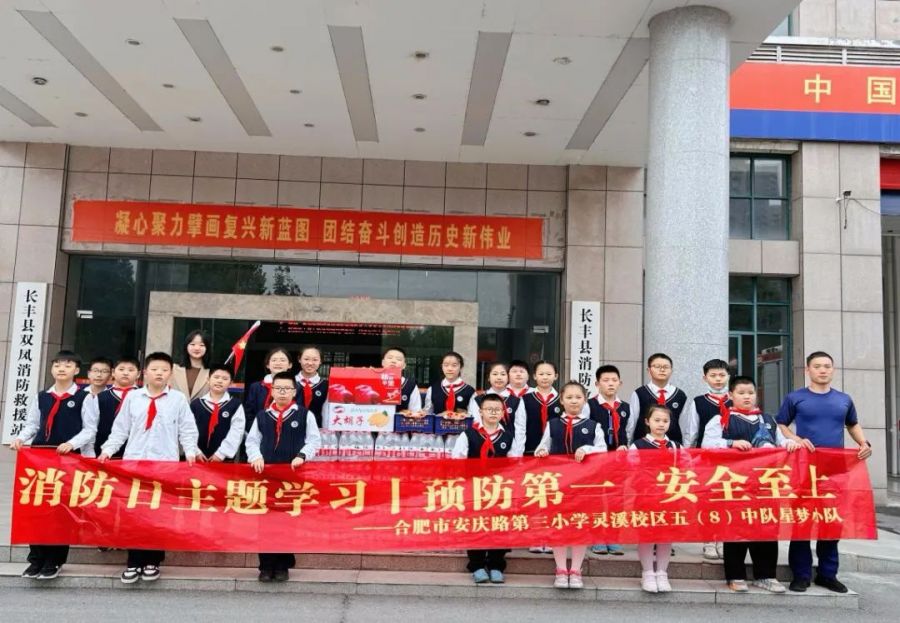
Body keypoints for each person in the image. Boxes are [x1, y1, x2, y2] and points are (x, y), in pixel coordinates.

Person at [98, 352, 201, 584]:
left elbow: (187, 429)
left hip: (164, 465)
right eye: (155, 369)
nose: (159, 374)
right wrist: (108, 450)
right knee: (134, 514)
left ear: (170, 374)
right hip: (135, 463)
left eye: (164, 370)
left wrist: (190, 451)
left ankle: (153, 561)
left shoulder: (177, 399)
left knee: (158, 514)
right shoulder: (133, 398)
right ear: (145, 373)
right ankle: (134, 562)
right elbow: (120, 429)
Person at [776, 351, 872, 594]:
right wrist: (796, 439)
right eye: (817, 366)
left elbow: (852, 424)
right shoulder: (795, 397)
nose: (822, 370)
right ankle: (801, 575)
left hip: (835, 470)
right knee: (802, 522)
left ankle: (828, 574)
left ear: (833, 369)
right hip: (803, 468)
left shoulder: (843, 399)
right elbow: (781, 424)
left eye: (827, 366)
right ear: (808, 370)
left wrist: (863, 443)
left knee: (831, 521)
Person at [702, 375, 797, 593]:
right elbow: (707, 445)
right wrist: (731, 443)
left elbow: (781, 442)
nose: (747, 397)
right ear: (730, 395)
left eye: (751, 393)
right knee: (736, 528)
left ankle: (766, 575)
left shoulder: (768, 420)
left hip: (765, 484)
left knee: (766, 528)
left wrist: (790, 444)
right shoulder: (721, 419)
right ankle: (735, 575)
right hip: (735, 484)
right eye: (741, 393)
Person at [11, 350, 98, 580]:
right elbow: (33, 424)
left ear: (76, 370)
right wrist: (20, 438)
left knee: (61, 511)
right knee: (37, 508)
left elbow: (90, 429)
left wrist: (71, 444)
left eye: (68, 365)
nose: (62, 369)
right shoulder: (42, 396)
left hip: (68, 460)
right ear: (51, 368)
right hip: (40, 460)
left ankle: (55, 560)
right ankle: (36, 559)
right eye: (58, 365)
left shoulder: (85, 396)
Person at [246, 371, 321, 582]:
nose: (282, 392)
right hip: (266, 476)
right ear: (272, 391)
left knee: (288, 520)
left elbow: (314, 440)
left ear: (294, 392)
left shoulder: (305, 415)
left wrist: (302, 455)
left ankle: (282, 565)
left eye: (287, 389)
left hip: (293, 477)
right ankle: (265, 566)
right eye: (278, 388)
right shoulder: (262, 416)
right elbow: (252, 441)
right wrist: (256, 456)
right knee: (265, 520)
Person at [535, 381, 606, 589]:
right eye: (569, 397)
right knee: (559, 525)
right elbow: (542, 447)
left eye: (578, 397)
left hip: (583, 484)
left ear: (585, 400)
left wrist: (587, 449)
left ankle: (575, 569)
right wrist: (542, 452)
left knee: (579, 525)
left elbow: (602, 449)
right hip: (558, 483)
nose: (574, 401)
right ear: (561, 400)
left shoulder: (593, 426)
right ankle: (560, 569)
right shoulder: (553, 424)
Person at [452, 393, 521, 584]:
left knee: (499, 525)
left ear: (503, 413)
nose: (493, 413)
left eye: (497, 410)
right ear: (480, 412)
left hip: (500, 489)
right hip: (474, 489)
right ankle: (477, 565)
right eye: (489, 409)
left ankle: (497, 565)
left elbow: (515, 462)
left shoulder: (507, 437)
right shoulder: (468, 435)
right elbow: (457, 461)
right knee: (477, 525)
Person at [682, 357, 731, 560]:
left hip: (732, 460)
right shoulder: (699, 402)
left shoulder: (735, 400)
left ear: (728, 376)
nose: (718, 379)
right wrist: (688, 456)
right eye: (713, 375)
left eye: (722, 375)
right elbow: (692, 432)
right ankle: (709, 541)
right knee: (708, 501)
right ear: (705, 378)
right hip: (706, 459)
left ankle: (723, 540)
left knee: (727, 500)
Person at [629, 405, 679, 593]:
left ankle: (662, 573)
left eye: (665, 421)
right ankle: (648, 572)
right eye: (657, 420)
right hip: (645, 497)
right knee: (647, 535)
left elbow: (685, 467)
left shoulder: (676, 446)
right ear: (647, 422)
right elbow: (631, 470)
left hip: (669, 498)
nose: (661, 424)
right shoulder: (638, 445)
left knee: (666, 536)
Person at [586, 364, 628, 556]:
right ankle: (597, 537)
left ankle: (613, 537)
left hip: (619, 460)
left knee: (616, 498)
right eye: (605, 380)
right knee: (595, 498)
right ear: (597, 384)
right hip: (596, 459)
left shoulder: (625, 407)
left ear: (620, 383)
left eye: (614, 380)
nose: (610, 384)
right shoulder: (590, 405)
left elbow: (629, 430)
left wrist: (625, 447)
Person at [628, 353, 687, 445]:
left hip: (672, 445)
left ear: (671, 370)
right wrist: (628, 444)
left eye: (666, 367)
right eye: (657, 366)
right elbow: (632, 423)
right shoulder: (639, 393)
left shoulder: (680, 395)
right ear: (649, 370)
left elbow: (684, 425)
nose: (662, 370)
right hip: (644, 446)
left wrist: (686, 447)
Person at [190, 363, 245, 462]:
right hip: (196, 458)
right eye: (216, 377)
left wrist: (221, 454)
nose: (220, 381)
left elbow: (237, 432)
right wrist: (195, 451)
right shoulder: (196, 404)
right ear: (208, 380)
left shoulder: (235, 405)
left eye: (225, 379)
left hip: (223, 460)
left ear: (231, 383)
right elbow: (188, 429)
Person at [467, 362, 526, 447]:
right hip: (481, 445)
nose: (499, 377)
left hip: (509, 447)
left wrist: (517, 451)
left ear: (508, 378)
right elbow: (475, 423)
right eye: (495, 374)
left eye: (503, 374)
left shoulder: (517, 401)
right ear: (488, 377)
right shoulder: (478, 399)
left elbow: (520, 429)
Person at [93, 356, 141, 458]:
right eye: (121, 369)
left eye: (131, 370)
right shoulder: (100, 397)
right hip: (103, 454)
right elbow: (92, 426)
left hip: (135, 453)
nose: (125, 373)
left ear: (138, 374)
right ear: (113, 372)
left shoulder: (144, 397)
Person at [243, 347, 294, 434]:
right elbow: (249, 413)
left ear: (290, 365)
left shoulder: (296, 387)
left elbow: (298, 413)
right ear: (267, 365)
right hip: (258, 432)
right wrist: (256, 430)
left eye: (282, 360)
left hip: (288, 433)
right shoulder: (256, 387)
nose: (278, 363)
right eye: (274, 360)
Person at [423, 351, 475, 418]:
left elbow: (474, 416)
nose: (449, 369)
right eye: (446, 365)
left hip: (462, 425)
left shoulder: (470, 391)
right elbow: (427, 413)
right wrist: (441, 415)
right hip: (438, 424)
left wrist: (461, 415)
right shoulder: (433, 389)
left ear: (461, 367)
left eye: (454, 365)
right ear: (442, 367)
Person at [171, 330, 210, 400]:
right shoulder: (173, 369)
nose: (197, 348)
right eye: (192, 344)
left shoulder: (212, 372)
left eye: (201, 345)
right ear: (186, 346)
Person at [382, 347, 423, 415]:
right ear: (383, 362)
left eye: (398, 359)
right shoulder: (372, 382)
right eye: (390, 358)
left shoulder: (410, 386)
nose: (393, 361)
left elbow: (415, 412)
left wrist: (407, 413)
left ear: (404, 365)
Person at [295, 345, 328, 426]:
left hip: (317, 428)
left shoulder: (326, 385)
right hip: (291, 428)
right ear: (299, 359)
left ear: (320, 361)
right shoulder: (289, 382)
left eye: (315, 360)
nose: (310, 363)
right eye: (306, 359)